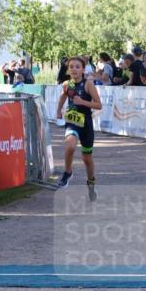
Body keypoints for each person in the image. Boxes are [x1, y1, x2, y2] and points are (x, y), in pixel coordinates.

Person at [55, 56, 102, 201]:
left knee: (87, 158)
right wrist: (59, 110)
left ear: (82, 69)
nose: (74, 69)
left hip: (86, 123)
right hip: (72, 121)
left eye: (77, 67)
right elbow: (63, 97)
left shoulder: (88, 85)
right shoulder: (66, 84)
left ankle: (91, 183)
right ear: (68, 70)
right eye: (71, 67)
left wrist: (82, 102)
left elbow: (98, 105)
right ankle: (68, 172)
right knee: (70, 146)